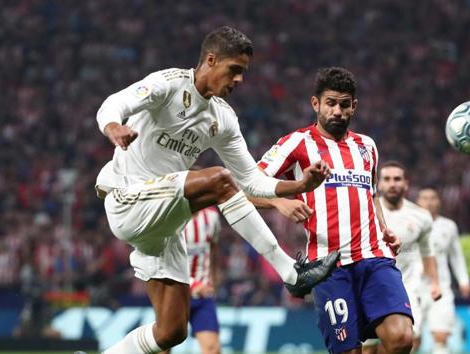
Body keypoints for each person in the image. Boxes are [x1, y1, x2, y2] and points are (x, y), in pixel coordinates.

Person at [95, 26, 339, 354]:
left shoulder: (222, 118)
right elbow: (115, 103)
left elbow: (251, 179)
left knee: (171, 332)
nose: (239, 80)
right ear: (211, 60)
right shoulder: (168, 84)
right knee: (220, 180)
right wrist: (113, 126)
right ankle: (291, 272)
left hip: (162, 224)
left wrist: (298, 185)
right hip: (128, 199)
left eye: (243, 73)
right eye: (234, 70)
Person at [255, 67, 412, 354]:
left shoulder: (367, 146)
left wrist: (384, 228)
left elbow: (370, 194)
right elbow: (247, 188)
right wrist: (280, 201)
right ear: (316, 104)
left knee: (401, 338)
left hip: (374, 256)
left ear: (354, 106)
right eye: (330, 103)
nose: (337, 110)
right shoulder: (296, 143)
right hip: (329, 266)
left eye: (344, 104)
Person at [363, 161, 441, 354]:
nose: (392, 184)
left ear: (406, 183)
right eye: (387, 179)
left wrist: (434, 283)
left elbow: (427, 253)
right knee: (368, 348)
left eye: (397, 179)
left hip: (408, 288)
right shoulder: (366, 211)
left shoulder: (421, 216)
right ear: (378, 184)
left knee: (409, 341)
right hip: (371, 286)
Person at [160, 206, 223, 354]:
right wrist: (193, 284)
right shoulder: (170, 218)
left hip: (202, 296)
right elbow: (164, 261)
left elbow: (213, 248)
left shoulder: (212, 216)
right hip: (174, 294)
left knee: (212, 349)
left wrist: (213, 279)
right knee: (163, 347)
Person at [417, 187, 470, 354]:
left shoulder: (448, 226)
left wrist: (464, 280)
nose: (429, 201)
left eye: (433, 197)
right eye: (424, 198)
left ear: (439, 202)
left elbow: (456, 256)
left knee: (441, 337)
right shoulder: (408, 223)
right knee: (410, 339)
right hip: (412, 288)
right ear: (418, 202)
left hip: (441, 287)